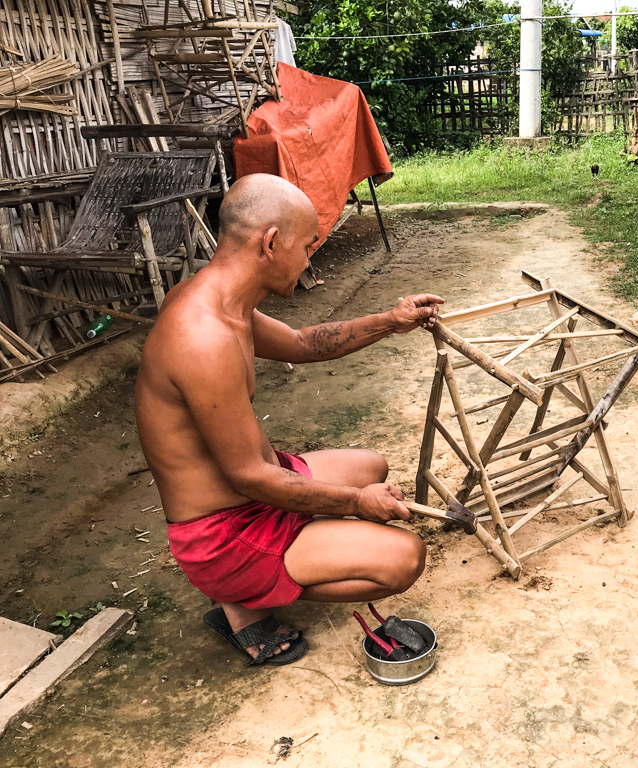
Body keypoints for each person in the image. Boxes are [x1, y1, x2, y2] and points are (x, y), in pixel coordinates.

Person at [135, 174, 443, 666]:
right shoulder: (201, 338)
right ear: (271, 242)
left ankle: (302, 552)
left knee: (371, 466)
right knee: (404, 559)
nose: (309, 260)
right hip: (223, 533)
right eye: (306, 246)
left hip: (258, 487)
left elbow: (302, 344)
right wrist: (357, 505)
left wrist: (391, 320)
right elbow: (249, 476)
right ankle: (241, 600)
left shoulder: (224, 302)